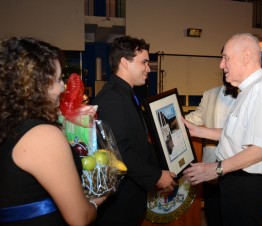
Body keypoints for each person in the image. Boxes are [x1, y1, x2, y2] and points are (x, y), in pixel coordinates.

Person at [0, 37, 106, 226]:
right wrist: (95, 202)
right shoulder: (42, 135)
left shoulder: (11, 124)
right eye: (58, 80)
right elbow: (79, 218)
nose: (64, 86)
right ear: (37, 87)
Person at [182, 33, 262, 226]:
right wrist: (197, 130)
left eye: (226, 58)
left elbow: (261, 150)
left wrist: (216, 169)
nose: (221, 65)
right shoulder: (248, 90)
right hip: (237, 180)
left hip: (248, 185)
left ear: (246, 57)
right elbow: (235, 134)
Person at [91, 36, 177, 226]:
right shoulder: (112, 99)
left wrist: (164, 166)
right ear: (124, 62)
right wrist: (155, 176)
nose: (148, 68)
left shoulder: (125, 94)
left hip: (130, 197)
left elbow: (138, 142)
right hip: (119, 204)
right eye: (144, 62)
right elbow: (120, 152)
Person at [185, 74, 239, 226]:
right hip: (210, 169)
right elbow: (196, 118)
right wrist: (173, 121)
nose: (225, 67)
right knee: (213, 213)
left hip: (237, 169)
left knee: (236, 216)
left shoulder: (250, 95)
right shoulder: (210, 94)